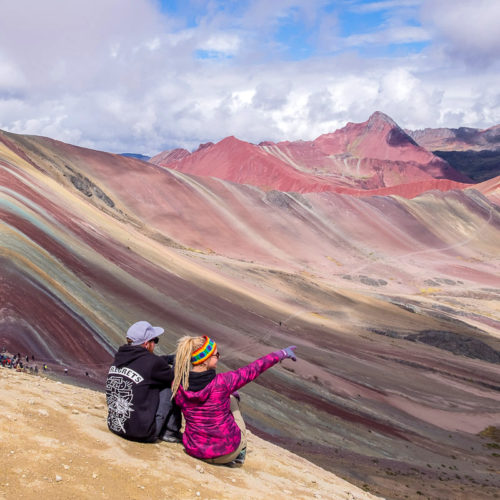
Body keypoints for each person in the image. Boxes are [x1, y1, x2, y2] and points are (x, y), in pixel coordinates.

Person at [172, 335, 297, 466]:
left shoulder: (178, 384)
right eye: (216, 355)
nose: (218, 357)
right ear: (204, 360)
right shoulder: (223, 382)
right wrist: (281, 353)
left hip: (195, 450)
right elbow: (254, 369)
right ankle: (241, 452)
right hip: (226, 453)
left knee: (225, 396)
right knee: (231, 397)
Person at [106, 320, 182, 443]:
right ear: (147, 344)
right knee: (171, 386)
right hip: (141, 433)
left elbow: (145, 364)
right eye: (155, 340)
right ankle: (169, 431)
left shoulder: (120, 357)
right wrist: (180, 361)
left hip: (115, 426)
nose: (155, 344)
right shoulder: (152, 364)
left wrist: (167, 358)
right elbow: (176, 378)